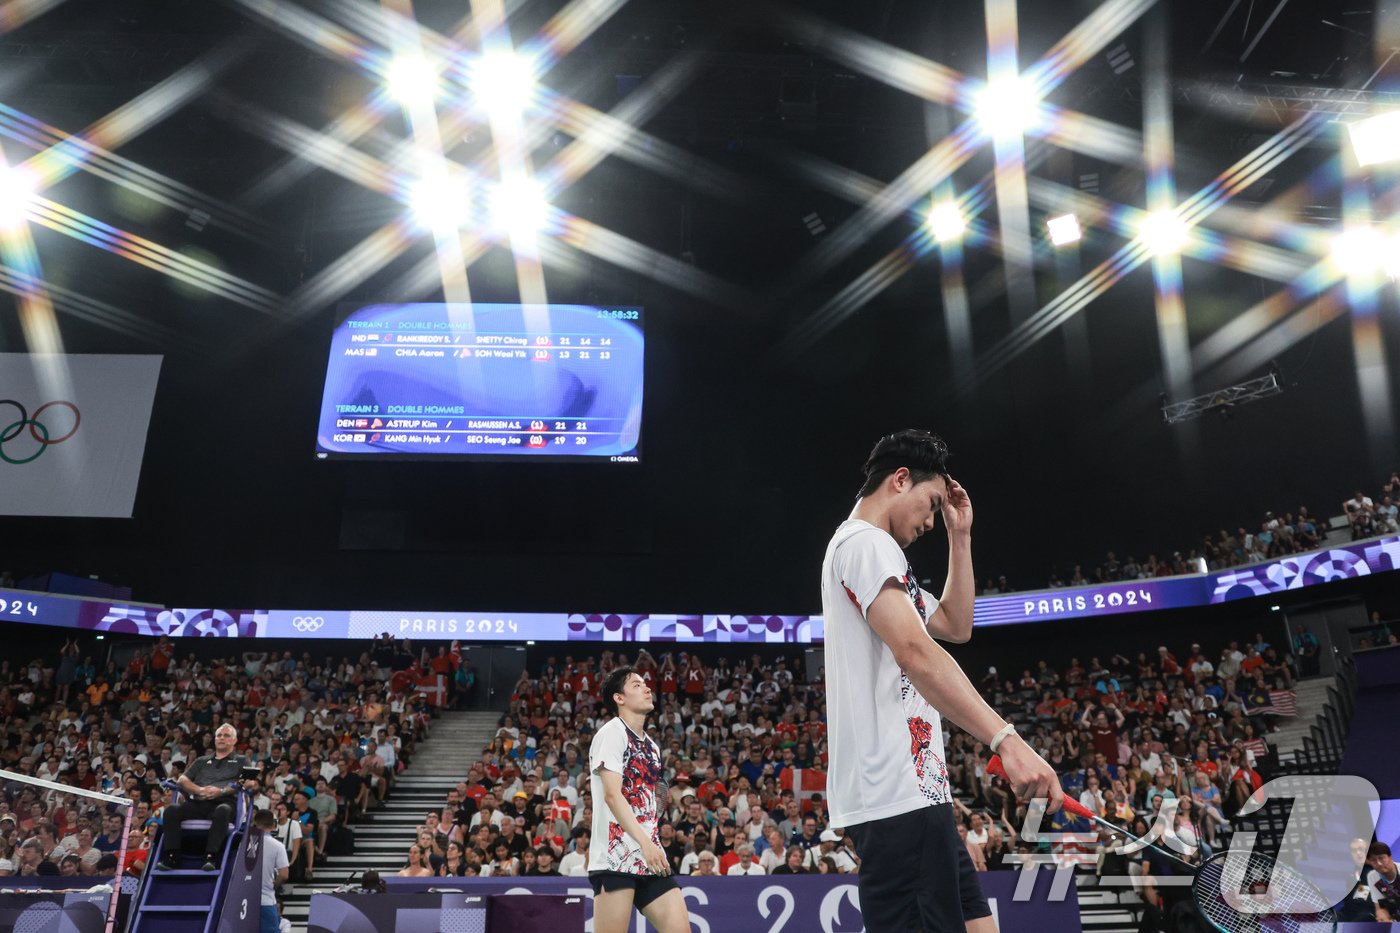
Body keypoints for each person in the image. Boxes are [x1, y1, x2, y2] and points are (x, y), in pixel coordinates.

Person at [821, 430, 1063, 932]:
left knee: (979, 926)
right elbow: (915, 651)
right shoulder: (866, 545)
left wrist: (961, 535)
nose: (930, 521)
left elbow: (956, 624)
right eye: (931, 505)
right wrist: (1006, 739)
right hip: (895, 797)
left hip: (920, 795)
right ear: (900, 479)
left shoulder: (878, 556)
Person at [588, 667, 690, 933]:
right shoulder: (612, 733)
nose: (647, 688)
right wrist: (645, 843)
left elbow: (647, 802)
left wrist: (651, 843)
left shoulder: (652, 747)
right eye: (636, 685)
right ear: (619, 698)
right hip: (616, 858)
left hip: (652, 857)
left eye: (646, 683)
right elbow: (612, 795)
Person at [159, 724, 259, 871]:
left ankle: (210, 857)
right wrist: (199, 790)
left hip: (225, 802)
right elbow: (182, 780)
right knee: (171, 810)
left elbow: (250, 782)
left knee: (222, 810)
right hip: (198, 802)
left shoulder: (241, 760)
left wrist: (221, 791)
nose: (221, 738)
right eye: (219, 735)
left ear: (234, 741)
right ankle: (172, 856)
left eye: (226, 735)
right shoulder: (201, 761)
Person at [252, 810, 289, 933]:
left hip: (243, 899)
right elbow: (284, 875)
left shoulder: (244, 843)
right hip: (265, 900)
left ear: (255, 823)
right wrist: (275, 884)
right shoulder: (278, 846)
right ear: (273, 825)